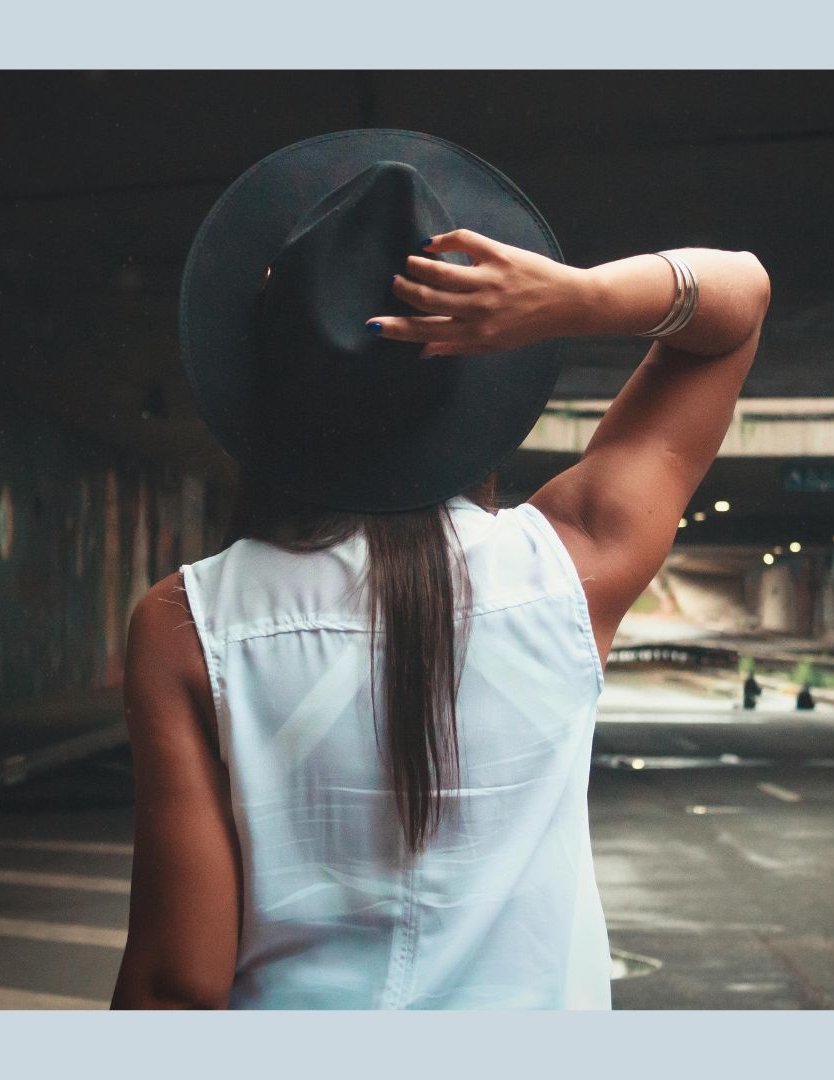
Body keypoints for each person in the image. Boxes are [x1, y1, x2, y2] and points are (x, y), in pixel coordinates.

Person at [111, 130, 768, 1009]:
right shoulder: (572, 567)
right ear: (476, 388)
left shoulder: (187, 625)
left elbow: (180, 980)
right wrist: (577, 297)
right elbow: (739, 302)